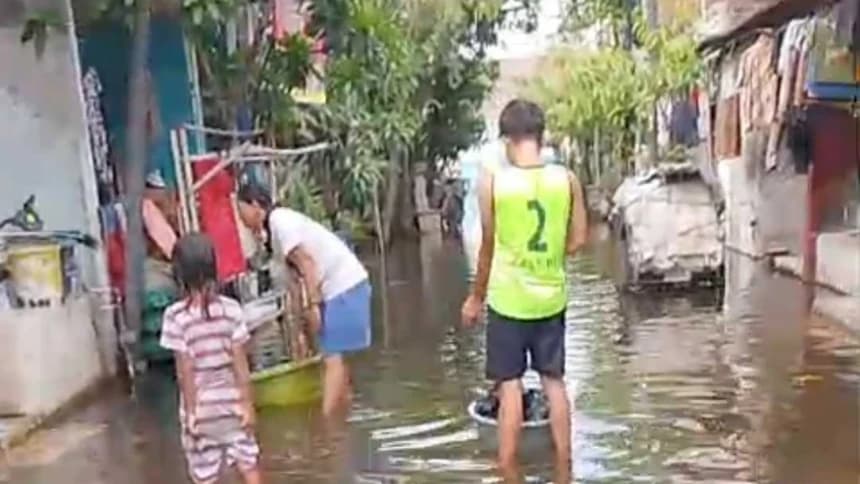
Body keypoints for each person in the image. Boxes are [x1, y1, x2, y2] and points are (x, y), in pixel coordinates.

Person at [461, 99, 588, 479]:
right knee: (554, 381)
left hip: (508, 300)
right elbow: (579, 239)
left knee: (510, 385)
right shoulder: (566, 180)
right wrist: (548, 258)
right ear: (542, 136)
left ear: (505, 140)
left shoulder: (494, 183)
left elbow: (486, 248)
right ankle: (565, 467)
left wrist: (475, 297)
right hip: (551, 297)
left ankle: (507, 470)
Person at [236, 182, 372, 417]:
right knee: (335, 358)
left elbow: (309, 265)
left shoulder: (280, 221)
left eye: (242, 211)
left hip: (343, 284)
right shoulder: (274, 233)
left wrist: (314, 306)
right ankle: (344, 416)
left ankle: (327, 428)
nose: (242, 220)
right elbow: (295, 282)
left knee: (333, 357)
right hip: (340, 286)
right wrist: (301, 329)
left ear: (256, 206)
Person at [160, 233, 261, 484]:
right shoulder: (231, 310)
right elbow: (240, 364)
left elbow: (185, 371)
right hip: (232, 406)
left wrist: (192, 414)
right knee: (248, 463)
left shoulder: (175, 317)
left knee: (205, 476)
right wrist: (247, 405)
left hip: (202, 411)